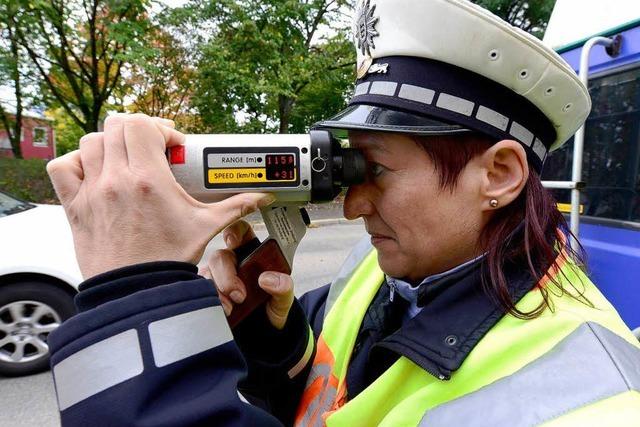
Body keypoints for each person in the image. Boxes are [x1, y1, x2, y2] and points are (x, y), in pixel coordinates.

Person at [46, 0, 640, 426]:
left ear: (500, 174)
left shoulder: (587, 400)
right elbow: (331, 392)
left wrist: (131, 298)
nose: (354, 206)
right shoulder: (393, 264)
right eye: (352, 168)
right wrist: (269, 337)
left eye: (374, 167)